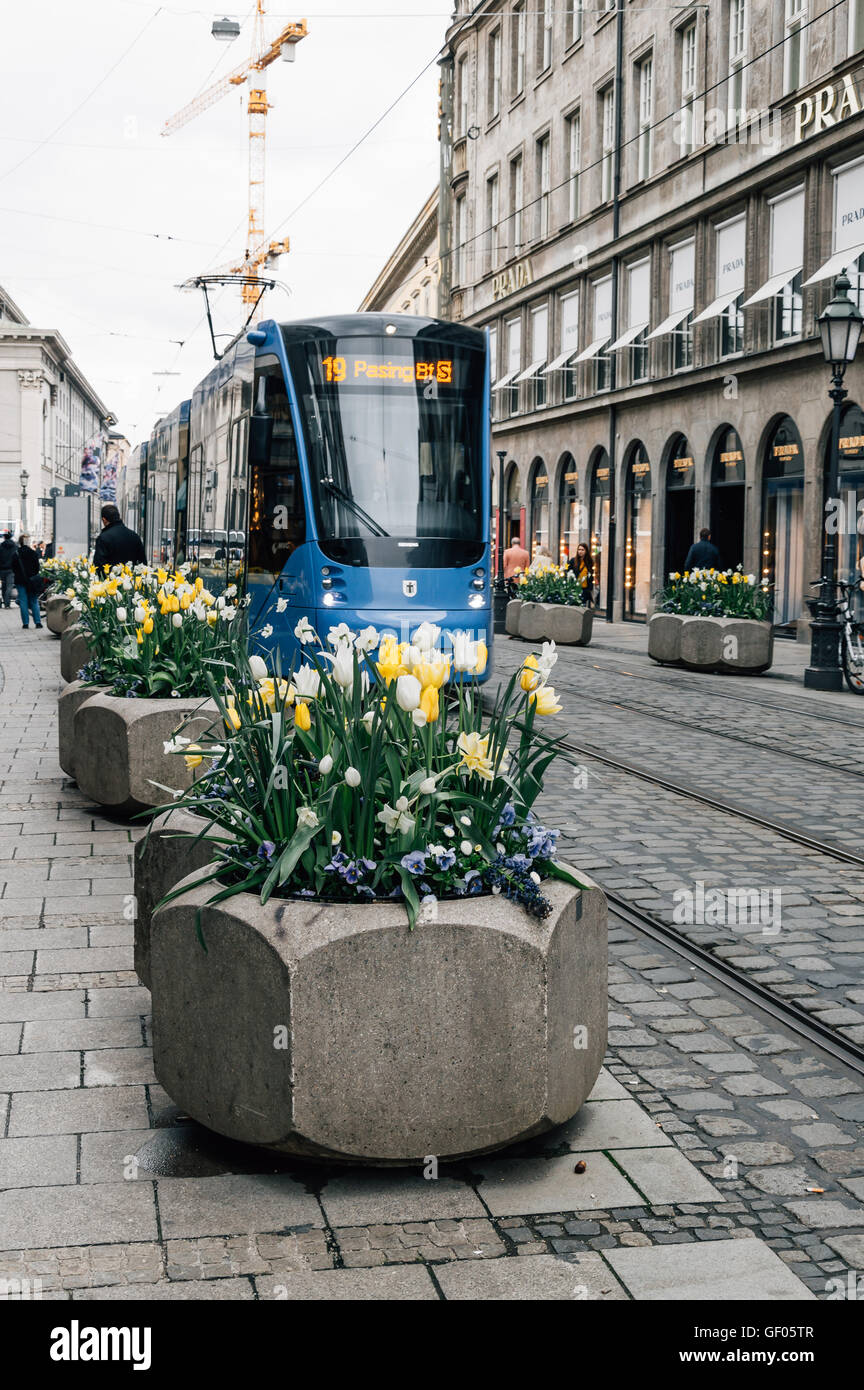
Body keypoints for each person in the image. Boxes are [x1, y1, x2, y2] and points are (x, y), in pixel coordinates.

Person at [92, 503, 146, 570]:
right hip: (131, 578)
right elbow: (143, 563)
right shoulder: (135, 536)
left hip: (110, 579)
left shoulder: (103, 538)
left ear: (104, 520)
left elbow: (99, 565)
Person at [11, 533, 43, 629]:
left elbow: (13, 568)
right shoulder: (33, 553)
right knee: (34, 601)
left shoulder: (16, 553)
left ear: (20, 542)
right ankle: (38, 622)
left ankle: (25, 623)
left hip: (20, 581)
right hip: (32, 581)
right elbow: (37, 568)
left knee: (23, 601)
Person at [0, 530, 17, 609]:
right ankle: (7, 604)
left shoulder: (1, 546)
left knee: (4, 586)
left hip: (2, 570)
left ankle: (5, 603)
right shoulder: (15, 546)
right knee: (9, 586)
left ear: (4, 537)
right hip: (11, 569)